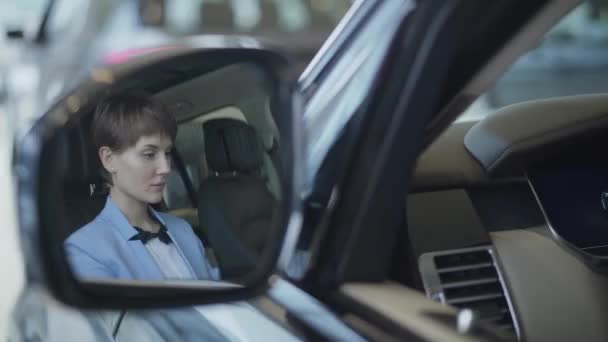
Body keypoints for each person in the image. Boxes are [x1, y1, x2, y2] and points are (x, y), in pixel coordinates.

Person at [64, 93, 220, 281]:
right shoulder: (84, 249)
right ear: (109, 159)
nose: (165, 168)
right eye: (148, 154)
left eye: (167, 153)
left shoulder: (182, 229)